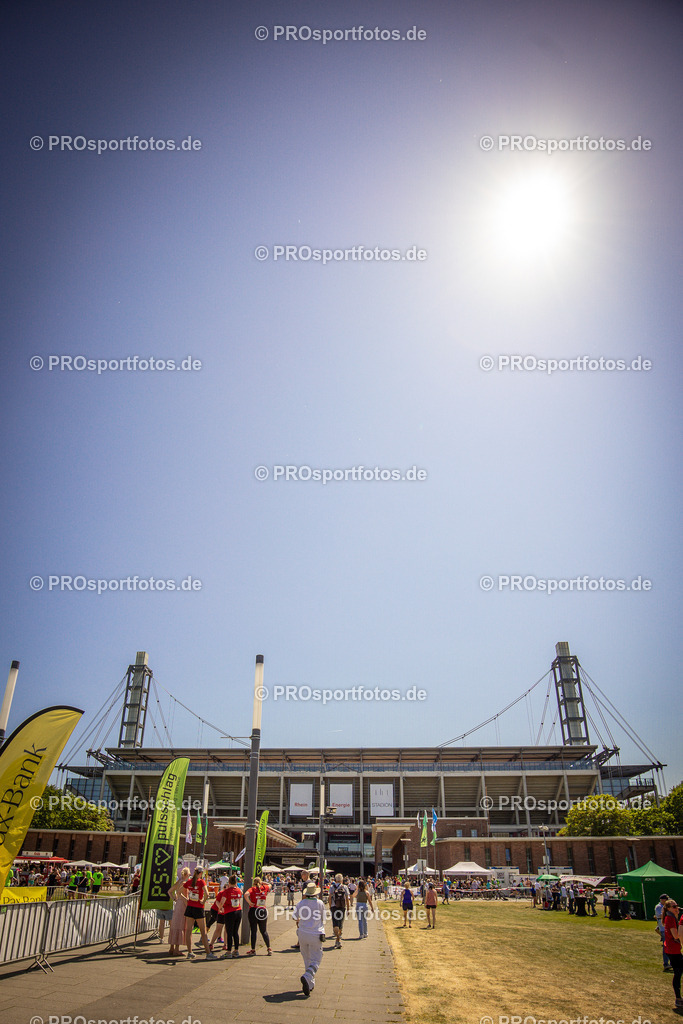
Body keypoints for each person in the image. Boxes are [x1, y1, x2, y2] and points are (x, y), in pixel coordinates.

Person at [293, 881, 326, 998]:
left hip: (302, 933)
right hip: (316, 933)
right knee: (317, 959)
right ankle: (307, 976)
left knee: (306, 958)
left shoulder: (301, 903)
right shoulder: (320, 903)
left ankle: (310, 983)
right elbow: (324, 917)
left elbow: (294, 917)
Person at [183, 867, 217, 960]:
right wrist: (203, 900)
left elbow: (181, 890)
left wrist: (186, 899)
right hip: (198, 908)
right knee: (203, 931)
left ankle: (189, 952)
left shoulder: (189, 881)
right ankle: (208, 953)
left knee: (189, 930)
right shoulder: (201, 882)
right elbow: (207, 893)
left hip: (190, 907)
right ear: (201, 873)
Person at [661, 898, 683, 1011]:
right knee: (678, 973)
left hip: (672, 949)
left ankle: (679, 998)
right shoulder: (670, 918)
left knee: (678, 972)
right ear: (669, 908)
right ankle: (678, 998)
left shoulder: (671, 917)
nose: (677, 908)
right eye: (674, 907)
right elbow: (676, 936)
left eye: (677, 906)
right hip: (673, 950)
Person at [245, 875, 272, 955]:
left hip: (254, 910)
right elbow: (270, 884)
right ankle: (269, 948)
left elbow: (246, 894)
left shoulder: (252, 889)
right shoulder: (265, 888)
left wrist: (249, 902)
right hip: (262, 910)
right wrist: (263, 883)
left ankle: (253, 949)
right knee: (263, 931)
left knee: (254, 930)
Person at [168, 867, 190, 957]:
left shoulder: (178, 882)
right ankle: (177, 949)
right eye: (188, 874)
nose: (189, 876)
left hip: (177, 905)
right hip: (183, 905)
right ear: (186, 875)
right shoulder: (184, 883)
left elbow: (169, 891)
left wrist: (174, 898)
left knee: (175, 925)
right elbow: (183, 894)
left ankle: (172, 947)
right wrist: (187, 902)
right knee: (180, 925)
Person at [219, 874, 243, 958]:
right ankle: (236, 950)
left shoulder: (227, 891)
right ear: (236, 882)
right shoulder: (239, 890)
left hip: (229, 912)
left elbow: (222, 901)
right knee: (235, 932)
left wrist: (220, 908)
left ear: (229, 882)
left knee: (229, 932)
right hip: (238, 911)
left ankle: (229, 951)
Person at [329, 873, 350, 948]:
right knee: (340, 922)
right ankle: (338, 939)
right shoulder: (344, 887)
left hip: (334, 907)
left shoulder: (332, 887)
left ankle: (337, 937)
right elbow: (347, 898)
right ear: (341, 880)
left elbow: (329, 897)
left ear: (335, 880)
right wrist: (348, 908)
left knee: (335, 923)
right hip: (342, 907)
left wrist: (330, 906)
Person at [656, 894, 672, 972]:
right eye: (665, 899)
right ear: (662, 900)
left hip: (668, 928)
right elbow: (659, 916)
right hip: (663, 928)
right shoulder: (659, 907)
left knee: (671, 945)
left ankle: (671, 962)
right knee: (666, 946)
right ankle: (666, 963)